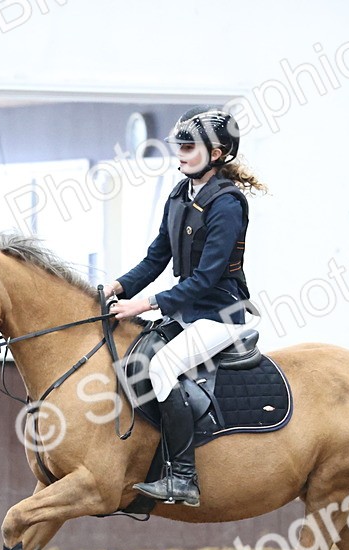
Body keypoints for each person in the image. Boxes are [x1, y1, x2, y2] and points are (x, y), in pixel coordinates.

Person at [106, 106, 267, 507]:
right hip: (189, 313)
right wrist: (118, 287)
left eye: (189, 145)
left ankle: (183, 477)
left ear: (216, 154)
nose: (180, 151)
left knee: (160, 367)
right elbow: (155, 258)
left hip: (221, 314)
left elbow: (206, 279)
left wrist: (145, 303)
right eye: (178, 143)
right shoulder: (180, 194)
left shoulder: (228, 204)